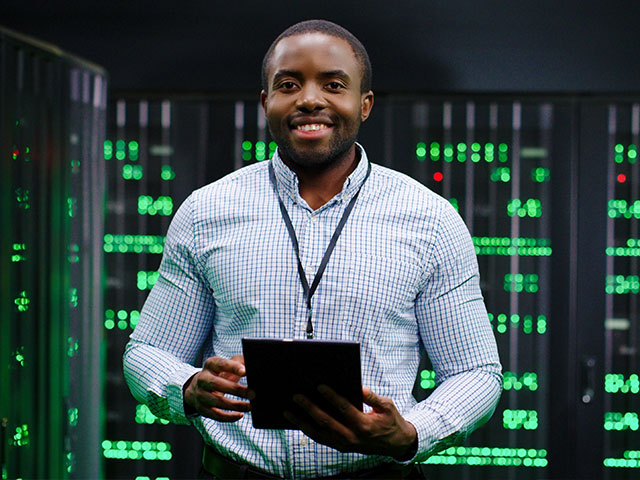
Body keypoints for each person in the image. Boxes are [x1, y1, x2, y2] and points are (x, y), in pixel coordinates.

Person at [123, 19, 502, 479]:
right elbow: (145, 351)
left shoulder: (431, 220)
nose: (309, 99)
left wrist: (412, 433)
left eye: (334, 84)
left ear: (364, 105)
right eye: (288, 84)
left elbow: (476, 373)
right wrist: (185, 388)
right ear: (266, 103)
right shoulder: (206, 212)